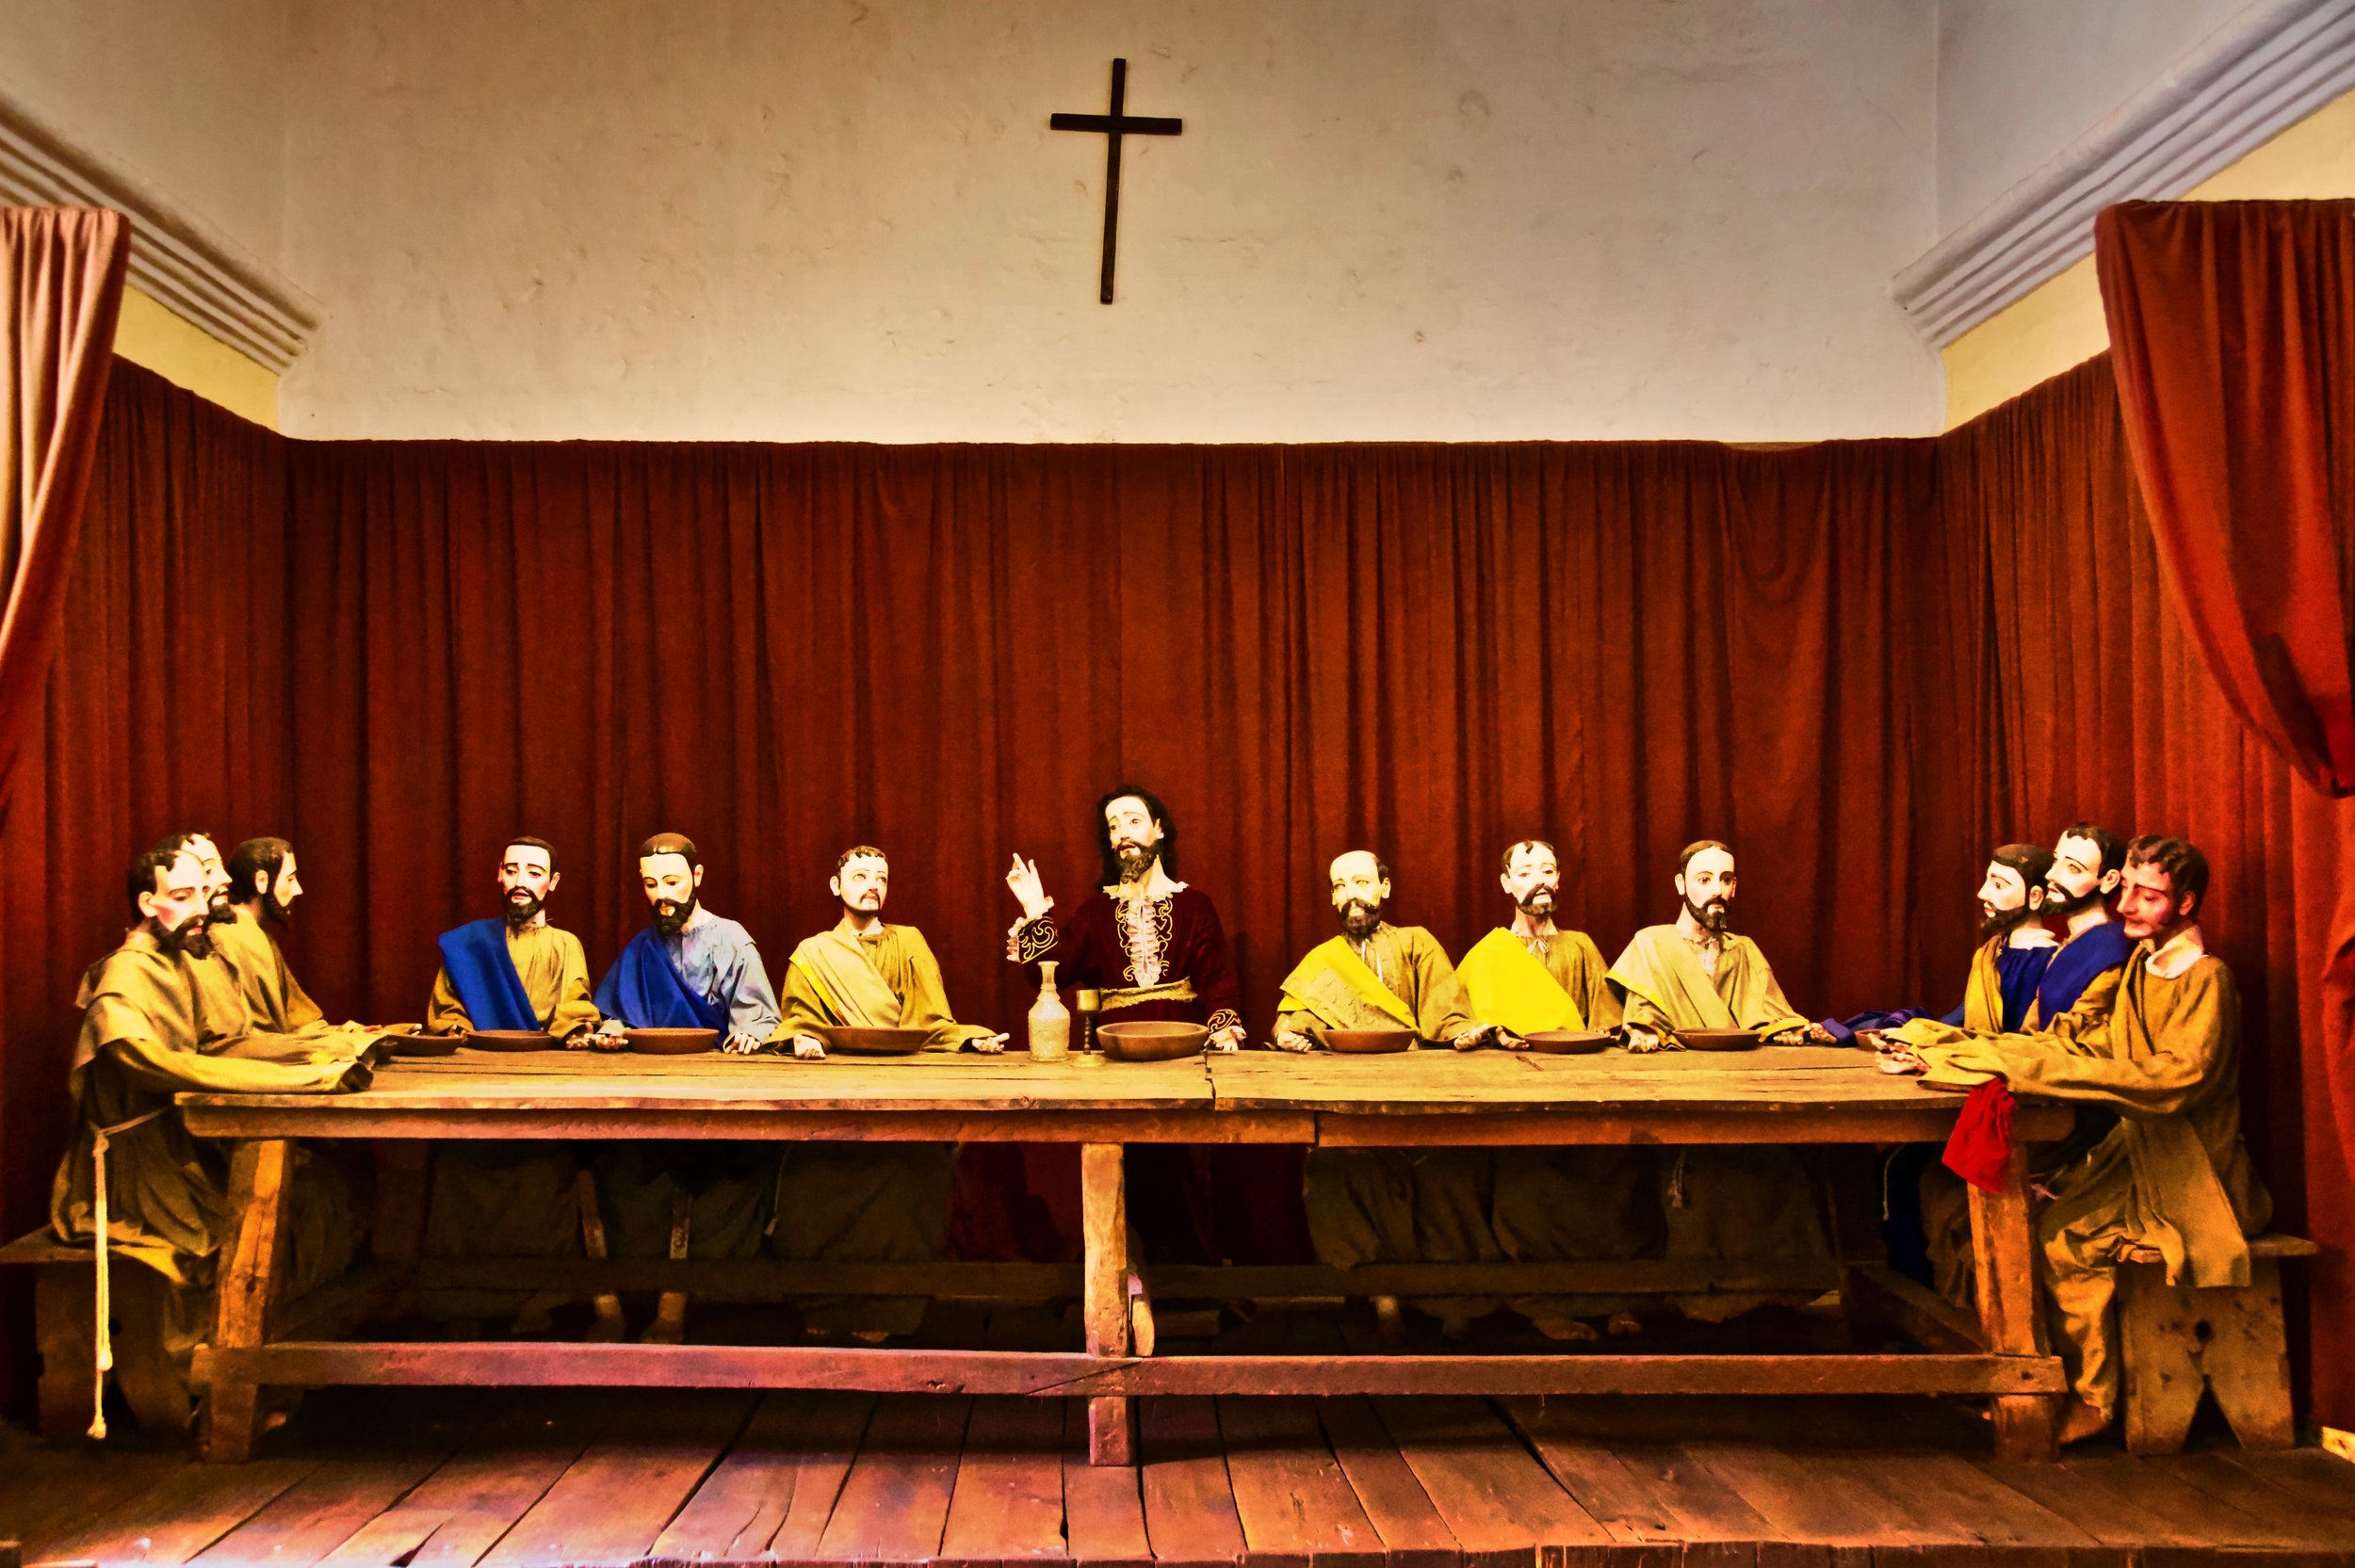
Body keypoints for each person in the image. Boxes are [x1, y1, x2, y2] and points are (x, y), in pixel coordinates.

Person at [1902, 836, 2270, 1445]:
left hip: (2192, 1168)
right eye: (2126, 888)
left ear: (2187, 903)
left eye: (2148, 895)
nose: (2128, 905)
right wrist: (1964, 1048)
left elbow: (2177, 1079)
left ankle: (2093, 1399)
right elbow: (2079, 1041)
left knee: (2062, 1239)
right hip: (2137, 1155)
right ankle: (2039, 1380)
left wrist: (2034, 1070)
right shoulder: (2141, 968)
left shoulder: (2205, 977)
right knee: (2029, 1220)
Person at [49, 845, 372, 1426]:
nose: (200, 910)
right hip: (139, 1171)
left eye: (202, 894)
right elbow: (157, 1064)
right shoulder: (127, 973)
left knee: (309, 1195)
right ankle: (206, 1393)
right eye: (181, 897)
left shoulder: (180, 959)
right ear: (147, 903)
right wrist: (300, 1084)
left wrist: (326, 1048)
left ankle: (270, 1367)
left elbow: (224, 1042)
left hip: (181, 1148)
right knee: (230, 1236)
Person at [769, 846, 1004, 1340]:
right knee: (816, 1182)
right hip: (833, 1092)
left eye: (881, 876)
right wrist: (804, 1038)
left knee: (912, 1175)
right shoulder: (813, 953)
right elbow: (796, 1019)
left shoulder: (909, 942)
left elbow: (934, 1022)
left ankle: (890, 1312)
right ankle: (823, 1307)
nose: (871, 884)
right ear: (836, 887)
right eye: (859, 875)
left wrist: (970, 1038)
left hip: (905, 1089)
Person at [1004, 786, 1245, 1260]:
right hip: (1116, 1062)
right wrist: (1035, 909)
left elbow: (1218, 982)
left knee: (1180, 1171)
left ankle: (1186, 1282)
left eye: (1133, 821)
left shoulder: (1195, 906)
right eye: (1113, 827)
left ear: (1159, 830)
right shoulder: (1097, 912)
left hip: (1182, 1058)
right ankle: (1119, 1271)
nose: (1122, 835)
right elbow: (1048, 969)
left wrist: (1224, 1027)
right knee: (1121, 1165)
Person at [1277, 849, 1503, 1337]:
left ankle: (1451, 1300)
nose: (1350, 896)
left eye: (1361, 882)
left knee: (1450, 1171)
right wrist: (1292, 1034)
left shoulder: (1416, 943)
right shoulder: (1323, 960)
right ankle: (1383, 1299)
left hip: (1420, 1088)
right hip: (1349, 1095)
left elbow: (1446, 1012)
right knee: (1341, 1168)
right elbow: (1293, 1018)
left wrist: (1460, 1033)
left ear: (1385, 887)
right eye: (1339, 886)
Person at [1606, 840, 1833, 1320]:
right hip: (1675, 1092)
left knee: (1780, 1172)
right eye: (1704, 879)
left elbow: (1770, 1014)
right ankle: (1702, 1300)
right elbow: (1641, 1016)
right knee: (1704, 1179)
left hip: (1741, 1091)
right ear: (1680, 884)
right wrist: (1645, 1033)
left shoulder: (1744, 951)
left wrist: (1793, 1030)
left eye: (1725, 880)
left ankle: (1769, 1295)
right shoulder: (1653, 943)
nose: (1716, 891)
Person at [585, 833, 784, 1342]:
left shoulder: (732, 939)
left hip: (712, 1091)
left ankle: (677, 1301)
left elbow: (762, 1021)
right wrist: (609, 1030)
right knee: (603, 1161)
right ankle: (615, 1298)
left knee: (699, 1169)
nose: (662, 894)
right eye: (651, 884)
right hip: (644, 1092)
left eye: (672, 881)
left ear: (698, 877)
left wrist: (749, 1034)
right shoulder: (642, 946)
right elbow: (615, 1013)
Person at [1458, 840, 1652, 1341]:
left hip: (1586, 1087)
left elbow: (1608, 1019)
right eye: (1525, 872)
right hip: (1514, 1097)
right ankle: (1541, 1303)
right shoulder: (1487, 954)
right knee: (1527, 1183)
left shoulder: (1581, 946)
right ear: (1506, 884)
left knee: (1615, 1175)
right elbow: (1462, 1024)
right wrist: (1490, 1035)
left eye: (1547, 870)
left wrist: (1625, 1037)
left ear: (1560, 879)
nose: (1538, 880)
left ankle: (1613, 1298)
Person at [418, 836, 602, 1329]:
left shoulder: (566, 946)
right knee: (460, 1170)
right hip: (476, 1075)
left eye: (534, 872)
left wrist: (576, 1031)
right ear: (499, 875)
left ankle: (539, 1301)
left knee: (542, 1177)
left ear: (553, 883)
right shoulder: (469, 945)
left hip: (544, 1077)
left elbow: (576, 1004)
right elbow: (447, 1007)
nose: (522, 882)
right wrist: (457, 1028)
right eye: (513, 870)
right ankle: (462, 1303)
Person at [210, 836, 327, 1033]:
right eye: (290, 879)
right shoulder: (231, 937)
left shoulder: (257, 933)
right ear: (261, 881)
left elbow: (297, 1017)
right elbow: (256, 1028)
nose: (297, 890)